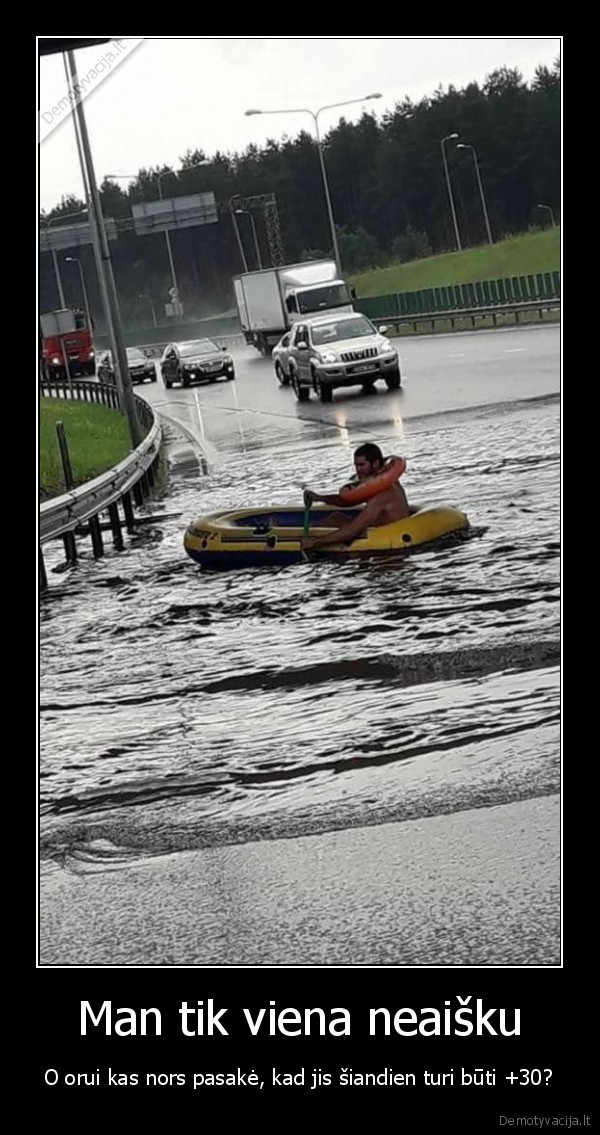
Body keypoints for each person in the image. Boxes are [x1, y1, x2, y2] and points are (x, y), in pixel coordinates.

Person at [302, 443, 410, 550]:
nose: (358, 470)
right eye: (356, 465)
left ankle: (302, 535)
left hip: (389, 537)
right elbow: (347, 501)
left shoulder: (384, 493)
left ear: (376, 463)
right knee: (336, 517)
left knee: (333, 522)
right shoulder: (382, 483)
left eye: (362, 465)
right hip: (380, 528)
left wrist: (317, 542)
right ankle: (306, 529)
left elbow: (354, 530)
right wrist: (319, 498)